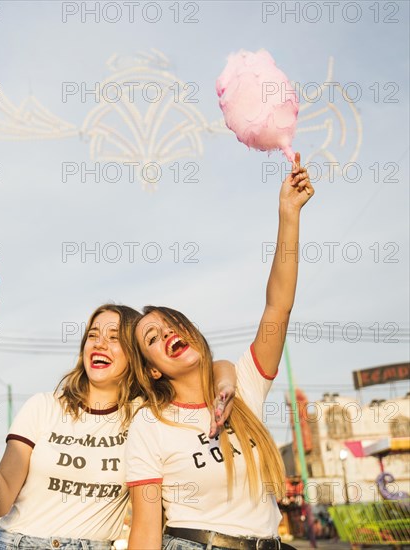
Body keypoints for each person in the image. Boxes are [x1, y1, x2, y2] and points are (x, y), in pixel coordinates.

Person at [126, 153, 314, 550]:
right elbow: (145, 529)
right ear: (153, 370)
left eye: (170, 324)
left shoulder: (244, 382)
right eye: (153, 339)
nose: (167, 334)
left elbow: (278, 306)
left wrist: (289, 212)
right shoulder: (150, 424)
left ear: (189, 330)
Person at [0, 303, 238, 550]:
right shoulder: (43, 406)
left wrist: (225, 381)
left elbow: (212, 367)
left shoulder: (147, 419)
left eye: (114, 338)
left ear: (135, 356)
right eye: (93, 335)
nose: (100, 343)